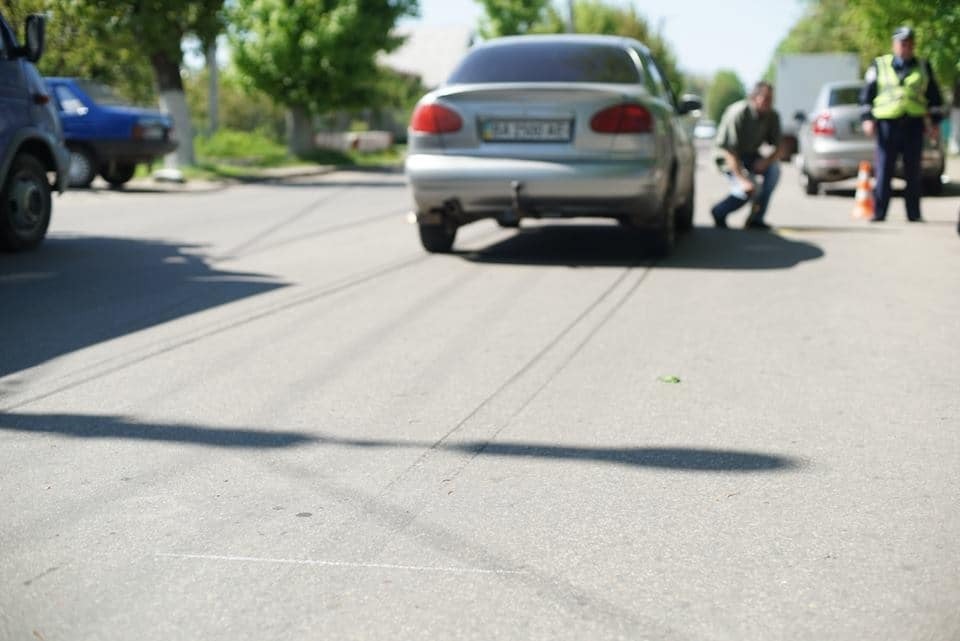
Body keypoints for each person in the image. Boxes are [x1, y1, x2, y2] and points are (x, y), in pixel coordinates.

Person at [859, 26, 944, 222]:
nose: (906, 47)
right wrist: (867, 119)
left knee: (913, 171)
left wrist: (935, 124)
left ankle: (913, 214)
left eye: (909, 43)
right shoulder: (879, 65)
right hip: (887, 125)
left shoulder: (923, 66)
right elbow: (866, 95)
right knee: (884, 170)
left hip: (913, 124)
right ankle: (879, 212)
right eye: (902, 43)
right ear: (894, 44)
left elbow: (935, 97)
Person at [710, 81, 785, 230]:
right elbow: (729, 150)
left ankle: (756, 219)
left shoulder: (772, 116)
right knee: (749, 189)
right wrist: (742, 179)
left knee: (774, 171)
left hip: (750, 155)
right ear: (754, 97)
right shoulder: (738, 113)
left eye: (771, 99)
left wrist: (766, 161)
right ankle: (719, 211)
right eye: (765, 98)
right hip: (728, 157)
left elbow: (779, 147)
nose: (769, 102)